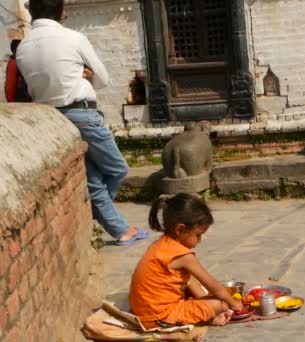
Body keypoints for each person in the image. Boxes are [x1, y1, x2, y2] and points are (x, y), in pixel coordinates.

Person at [17, 0, 147, 245]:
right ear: (61, 12)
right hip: (82, 114)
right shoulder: (72, 38)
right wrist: (88, 77)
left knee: (94, 179)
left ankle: (119, 229)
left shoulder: (23, 46)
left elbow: (34, 87)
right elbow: (104, 79)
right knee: (117, 168)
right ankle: (99, 215)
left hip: (51, 119)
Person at [129, 193, 243, 328]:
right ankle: (210, 315)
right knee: (221, 304)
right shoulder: (184, 256)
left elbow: (190, 281)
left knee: (190, 281)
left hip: (143, 313)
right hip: (159, 318)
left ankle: (208, 313)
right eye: (198, 235)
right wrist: (233, 303)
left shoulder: (160, 244)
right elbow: (212, 284)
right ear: (180, 229)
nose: (199, 240)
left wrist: (204, 300)